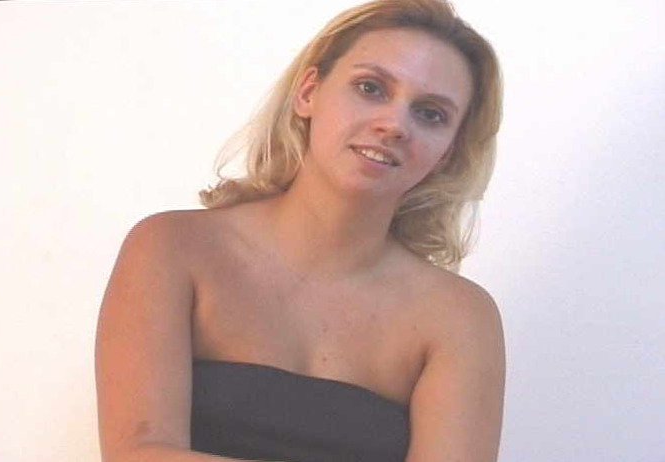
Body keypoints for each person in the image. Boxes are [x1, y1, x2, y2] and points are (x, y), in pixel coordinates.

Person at [94, 0, 506, 461]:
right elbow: (136, 454)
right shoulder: (172, 247)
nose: (394, 125)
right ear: (308, 92)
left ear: (447, 152)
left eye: (431, 113)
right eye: (370, 88)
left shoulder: (458, 316)